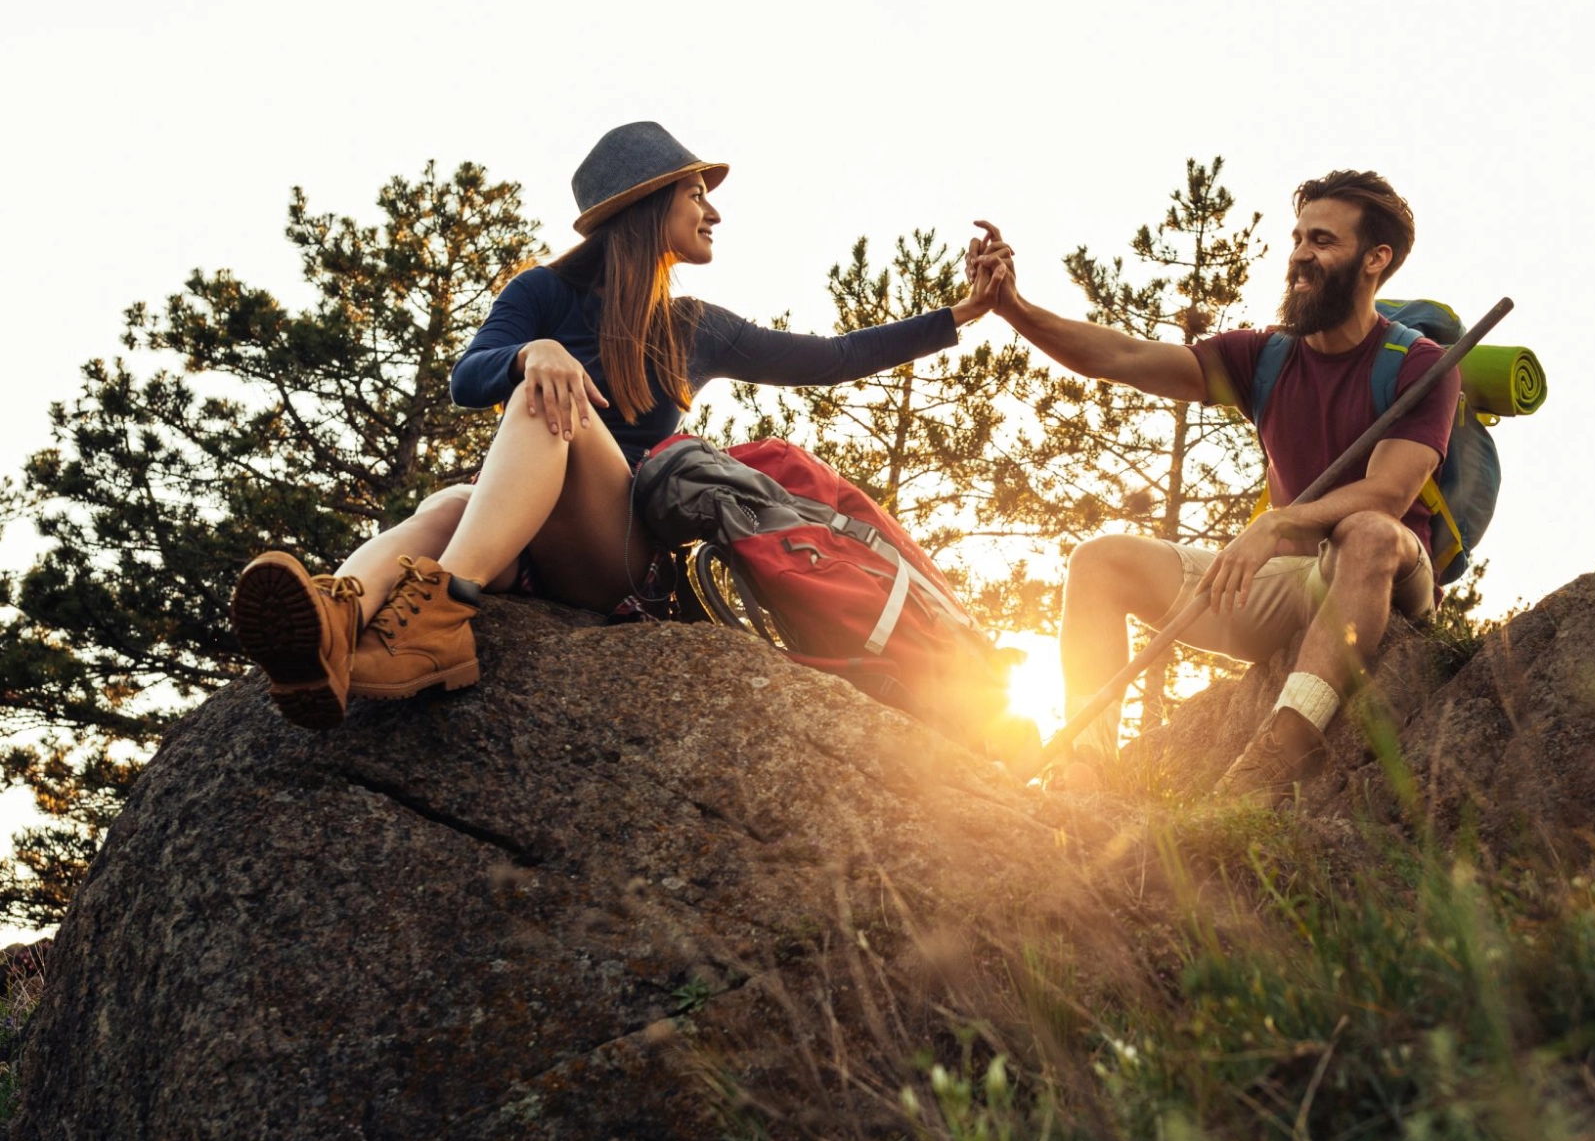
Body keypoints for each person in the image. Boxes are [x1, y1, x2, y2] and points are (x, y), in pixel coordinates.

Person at [231, 121, 1002, 729]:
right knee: (447, 505)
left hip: (623, 558)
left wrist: (962, 314)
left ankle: (438, 617)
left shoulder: (694, 326)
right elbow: (471, 378)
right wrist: (533, 349)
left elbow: (831, 358)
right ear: (650, 200)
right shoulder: (543, 294)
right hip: (526, 543)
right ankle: (336, 626)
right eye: (697, 192)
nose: (714, 210)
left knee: (549, 407)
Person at [970, 170, 1461, 801]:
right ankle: (1083, 776)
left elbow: (1389, 495)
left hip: (1385, 574)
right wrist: (1015, 309)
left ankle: (1271, 763)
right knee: (1100, 563)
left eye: (1322, 241)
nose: (1300, 257)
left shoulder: (1418, 365)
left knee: (1365, 533)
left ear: (1376, 259)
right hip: (1291, 582)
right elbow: (1122, 358)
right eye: (1297, 239)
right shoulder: (1266, 359)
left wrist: (1281, 522)